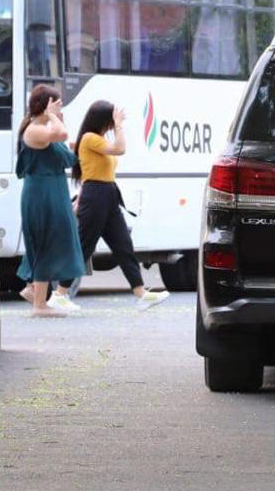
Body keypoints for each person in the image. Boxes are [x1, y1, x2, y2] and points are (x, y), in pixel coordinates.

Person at [49, 100, 169, 312]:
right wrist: (119, 125)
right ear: (103, 120)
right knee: (84, 245)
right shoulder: (90, 138)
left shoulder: (97, 139)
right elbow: (120, 149)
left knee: (123, 245)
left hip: (108, 194)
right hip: (96, 195)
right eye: (110, 120)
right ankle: (59, 293)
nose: (113, 125)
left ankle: (140, 293)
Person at [16, 85, 85, 317]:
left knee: (53, 238)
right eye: (56, 103)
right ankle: (39, 303)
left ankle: (34, 289)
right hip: (41, 193)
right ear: (45, 103)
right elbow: (62, 134)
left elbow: (63, 149)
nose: (59, 108)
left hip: (52, 191)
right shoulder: (34, 129)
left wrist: (55, 118)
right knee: (46, 240)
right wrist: (55, 117)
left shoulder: (43, 127)